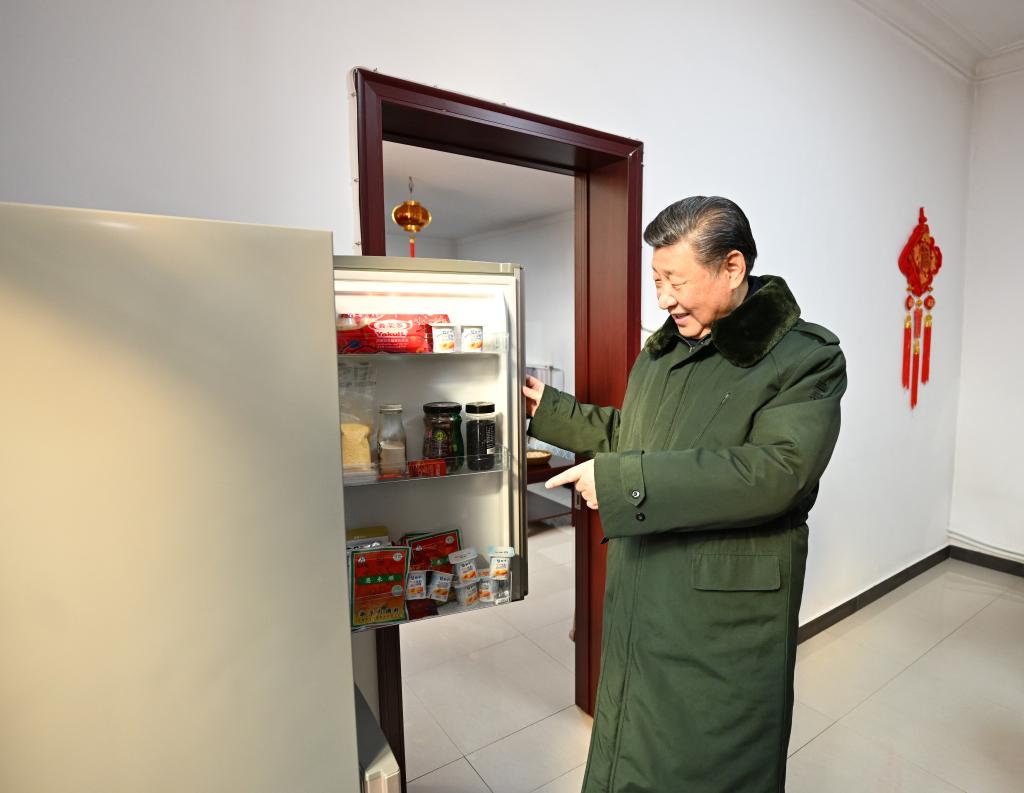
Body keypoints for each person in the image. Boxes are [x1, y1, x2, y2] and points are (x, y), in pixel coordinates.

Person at [523, 196, 847, 793]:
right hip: (643, 585)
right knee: (631, 747)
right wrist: (551, 410)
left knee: (702, 761)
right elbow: (636, 438)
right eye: (657, 280)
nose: (664, 299)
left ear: (732, 267)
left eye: (676, 281)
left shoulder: (806, 358)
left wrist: (621, 482)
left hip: (718, 612)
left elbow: (777, 472)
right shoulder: (665, 351)